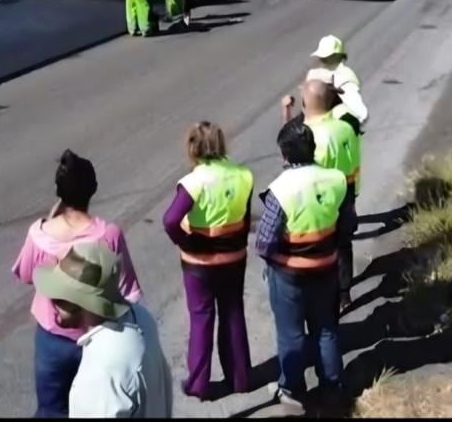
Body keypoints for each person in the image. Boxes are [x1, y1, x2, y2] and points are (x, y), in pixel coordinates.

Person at [12, 150, 143, 418]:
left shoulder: (39, 234)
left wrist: (50, 218)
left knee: (51, 409)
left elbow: (26, 275)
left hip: (52, 339)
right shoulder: (108, 235)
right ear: (92, 190)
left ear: (59, 192)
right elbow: (128, 290)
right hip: (97, 338)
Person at [256, 120, 350, 411]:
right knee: (326, 330)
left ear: (284, 155)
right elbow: (348, 223)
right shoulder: (336, 179)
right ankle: (332, 387)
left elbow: (264, 241)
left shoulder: (281, 190)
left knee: (291, 334)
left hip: (289, 274)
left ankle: (293, 388)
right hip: (326, 268)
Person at [162, 122, 254, 400]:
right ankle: (240, 377)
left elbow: (170, 220)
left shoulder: (194, 182)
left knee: (201, 318)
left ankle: (199, 383)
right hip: (234, 257)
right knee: (233, 313)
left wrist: (187, 241)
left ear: (193, 148)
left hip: (198, 264)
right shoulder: (243, 175)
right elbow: (246, 218)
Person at [34, 243, 172, 418]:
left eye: (58, 298)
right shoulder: (141, 317)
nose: (51, 303)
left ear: (81, 303)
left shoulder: (100, 374)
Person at [298, 81, 361, 313]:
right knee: (344, 245)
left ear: (306, 103)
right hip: (346, 193)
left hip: (321, 201)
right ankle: (345, 294)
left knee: (322, 249)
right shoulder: (345, 128)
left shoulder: (309, 135)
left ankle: (326, 297)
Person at [308, 35, 369, 135]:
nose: (322, 61)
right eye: (322, 58)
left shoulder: (345, 77)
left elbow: (359, 112)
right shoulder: (314, 74)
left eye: (325, 58)